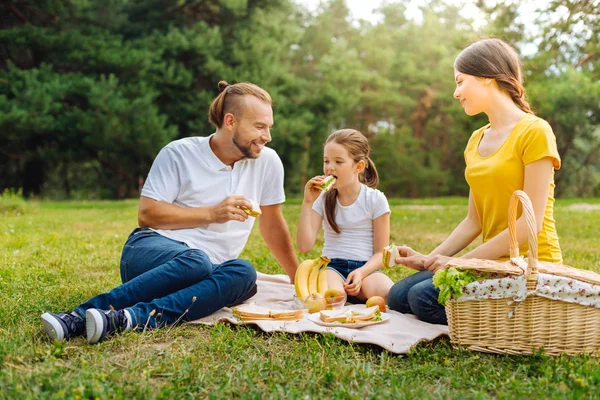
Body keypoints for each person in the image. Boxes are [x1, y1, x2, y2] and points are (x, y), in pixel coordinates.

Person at [41, 81, 298, 343]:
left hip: (208, 270)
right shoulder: (179, 153)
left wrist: (297, 277)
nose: (267, 136)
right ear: (230, 121)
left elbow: (272, 223)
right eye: (259, 127)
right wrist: (212, 213)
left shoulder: (268, 162)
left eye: (269, 127)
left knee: (244, 274)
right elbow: (148, 215)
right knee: (197, 262)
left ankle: (126, 319)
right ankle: (75, 317)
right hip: (150, 253)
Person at [387, 38, 562, 325]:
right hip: (488, 264)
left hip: (530, 265)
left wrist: (462, 263)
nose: (456, 93)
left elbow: (529, 226)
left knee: (422, 298)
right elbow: (474, 221)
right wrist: (429, 259)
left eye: (460, 81)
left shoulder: (535, 131)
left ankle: (523, 318)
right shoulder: (475, 140)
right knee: (398, 295)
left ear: (486, 78)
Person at [297, 129, 394, 302]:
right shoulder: (322, 198)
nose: (329, 168)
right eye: (326, 161)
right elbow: (304, 247)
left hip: (366, 268)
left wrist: (361, 273)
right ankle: (347, 294)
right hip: (332, 267)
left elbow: (381, 254)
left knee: (390, 295)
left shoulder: (375, 199)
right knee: (333, 297)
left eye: (338, 162)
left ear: (359, 166)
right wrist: (307, 202)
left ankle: (358, 291)